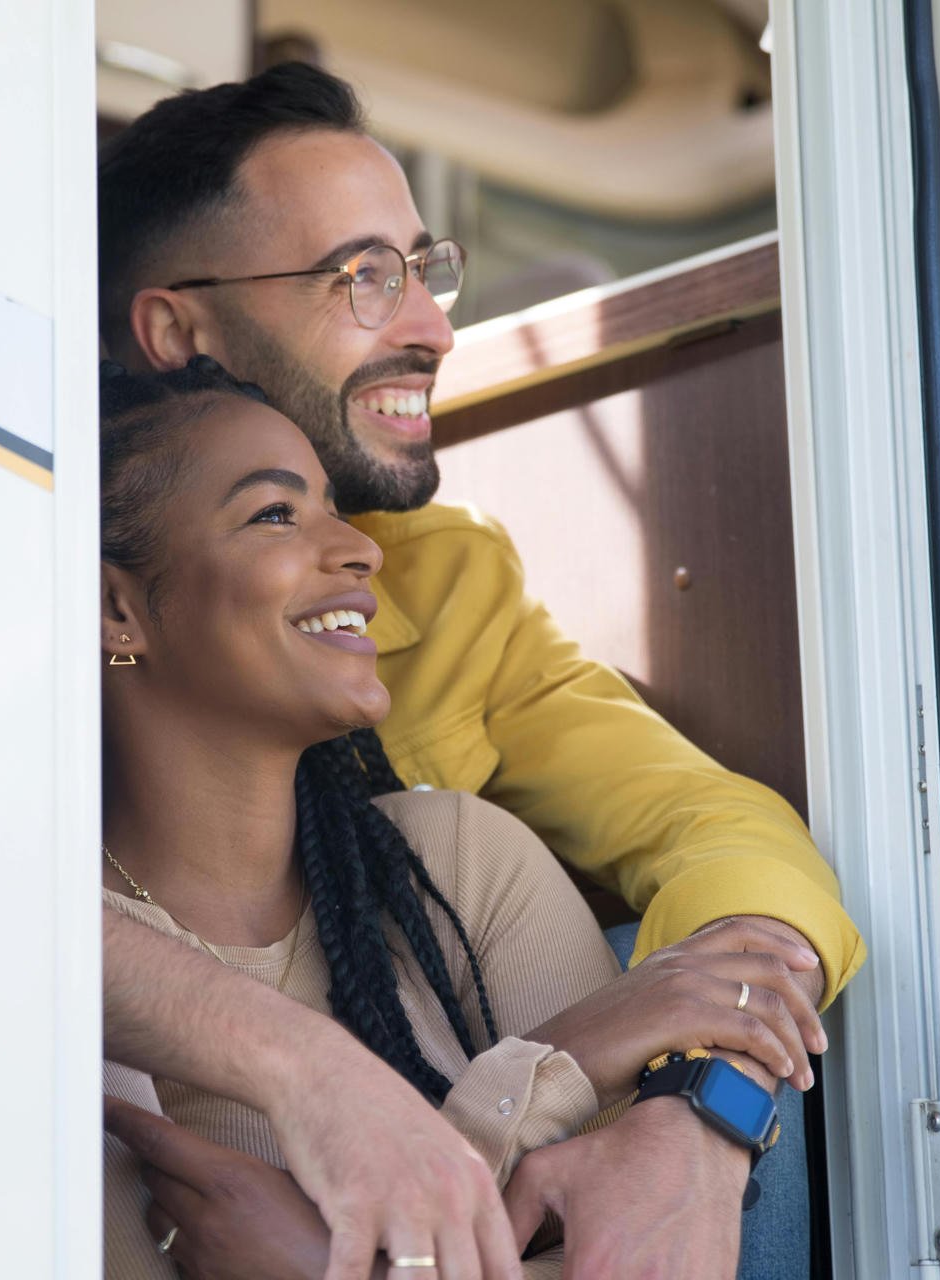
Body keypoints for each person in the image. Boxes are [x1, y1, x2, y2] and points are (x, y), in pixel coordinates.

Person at [96, 64, 867, 1278]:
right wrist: (308, 1074)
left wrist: (697, 1110)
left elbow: (716, 825)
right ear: (177, 332)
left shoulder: (442, 588)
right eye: (364, 277)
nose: (433, 327)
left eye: (424, 269)